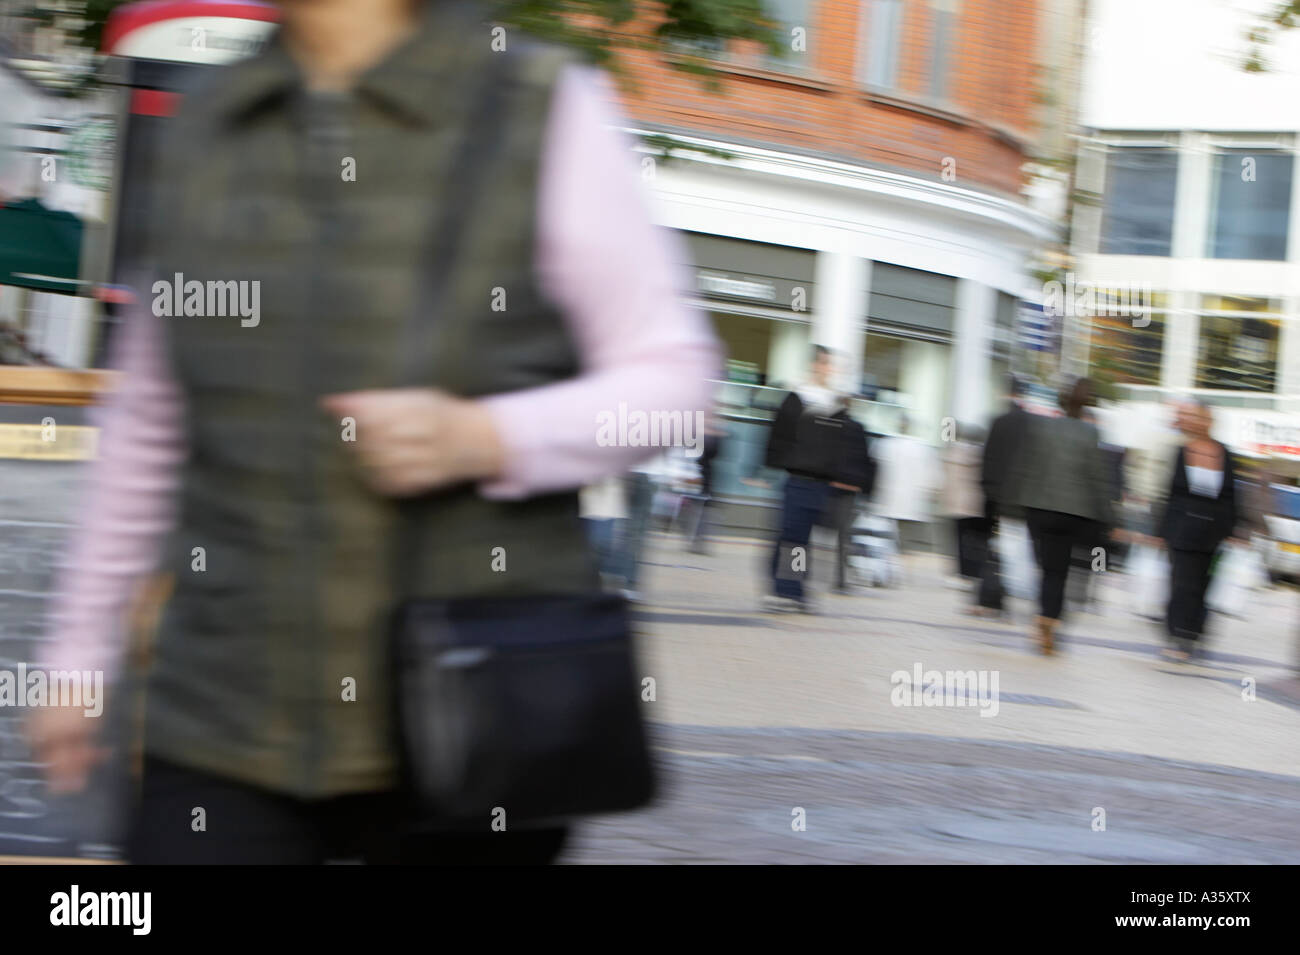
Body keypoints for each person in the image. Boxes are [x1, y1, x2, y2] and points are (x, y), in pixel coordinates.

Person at [29, 0, 719, 865]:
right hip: (222, 714)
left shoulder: (538, 104)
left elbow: (679, 382)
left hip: (469, 719)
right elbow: (148, 426)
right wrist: (79, 654)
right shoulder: (212, 123)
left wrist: (486, 437)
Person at [1015, 378, 1115, 655]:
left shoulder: (1042, 427)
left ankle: (1044, 618)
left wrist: (1019, 505)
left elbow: (1027, 467)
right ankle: (1050, 621)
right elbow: (1097, 479)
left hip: (1039, 509)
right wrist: (1108, 515)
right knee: (1060, 572)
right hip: (1074, 512)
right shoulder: (1090, 433)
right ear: (1086, 404)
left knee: (1046, 570)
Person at [761, 345, 846, 612]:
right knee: (792, 535)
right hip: (798, 479)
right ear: (815, 365)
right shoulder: (797, 399)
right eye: (825, 364)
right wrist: (772, 467)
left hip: (821, 482)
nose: (829, 369)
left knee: (802, 538)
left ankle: (791, 588)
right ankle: (786, 590)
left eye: (831, 365)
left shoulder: (834, 404)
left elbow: (841, 445)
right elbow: (778, 436)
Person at [1157, 400, 1239, 662]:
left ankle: (1194, 634)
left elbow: (1230, 496)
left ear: (1210, 422)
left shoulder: (1224, 453)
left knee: (1203, 585)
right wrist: (1161, 530)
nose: (1198, 423)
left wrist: (1233, 529)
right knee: (1181, 583)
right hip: (1182, 528)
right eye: (1195, 418)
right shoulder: (1182, 451)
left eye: (1202, 418)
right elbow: (1172, 493)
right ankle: (1177, 635)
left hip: (1212, 531)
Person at [822, 396, 875, 593]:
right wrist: (867, 490)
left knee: (816, 530)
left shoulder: (825, 426)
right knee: (844, 535)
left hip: (827, 484)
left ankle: (804, 572)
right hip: (850, 488)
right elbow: (866, 460)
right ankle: (841, 579)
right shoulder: (858, 427)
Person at [872, 413, 940, 555]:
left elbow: (875, 470)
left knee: (886, 536)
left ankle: (888, 562)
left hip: (888, 499)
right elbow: (933, 477)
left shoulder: (885, 444)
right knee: (905, 541)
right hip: (912, 503)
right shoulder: (923, 448)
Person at [939, 422, 989, 607]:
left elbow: (946, 478)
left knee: (959, 540)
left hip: (955, 503)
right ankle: (975, 572)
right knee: (976, 541)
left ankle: (961, 573)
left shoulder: (951, 453)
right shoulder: (983, 456)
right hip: (976, 504)